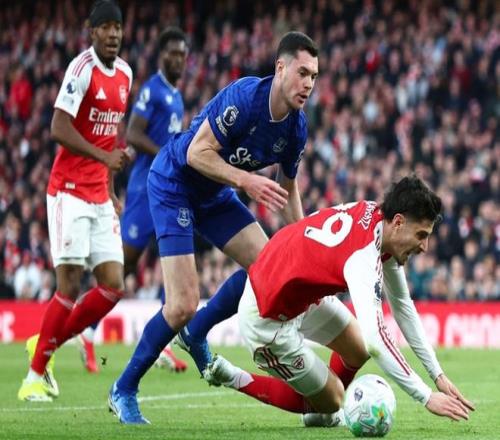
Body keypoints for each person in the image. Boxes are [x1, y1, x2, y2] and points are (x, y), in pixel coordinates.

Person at [108, 31, 319, 424]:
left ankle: (196, 332)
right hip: (174, 183)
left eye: (314, 76)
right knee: (182, 305)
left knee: (269, 270)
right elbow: (195, 152)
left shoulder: (296, 128)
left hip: (215, 194)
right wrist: (244, 180)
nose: (308, 83)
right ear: (280, 68)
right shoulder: (245, 98)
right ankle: (123, 389)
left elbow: (288, 191)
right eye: (302, 73)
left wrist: (311, 245)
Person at [204, 176, 475, 424]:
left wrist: (437, 374)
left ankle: (320, 411)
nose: (424, 247)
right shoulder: (363, 257)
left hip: (299, 294)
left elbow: (402, 307)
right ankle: (232, 376)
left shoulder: (379, 222)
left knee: (357, 348)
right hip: (267, 316)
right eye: (421, 235)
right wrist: (425, 396)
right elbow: (376, 339)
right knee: (333, 399)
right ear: (399, 222)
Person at [17, 0, 132, 402]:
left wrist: (111, 188)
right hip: (68, 190)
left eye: (118, 27)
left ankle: (43, 343)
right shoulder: (81, 69)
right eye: (106, 27)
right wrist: (103, 158)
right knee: (68, 285)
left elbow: (110, 138)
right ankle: (34, 377)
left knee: (113, 286)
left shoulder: (125, 74)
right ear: (91, 30)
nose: (113, 34)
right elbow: (58, 127)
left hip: (99, 194)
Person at [77, 27, 189, 375]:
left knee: (174, 262)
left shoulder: (176, 96)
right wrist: (167, 155)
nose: (178, 60)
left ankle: (164, 341)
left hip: (167, 190)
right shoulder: (153, 91)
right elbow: (133, 134)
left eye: (183, 54)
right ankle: (85, 330)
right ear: (162, 56)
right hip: (144, 192)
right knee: (122, 270)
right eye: (173, 53)